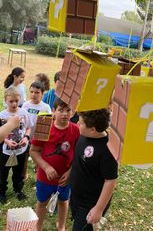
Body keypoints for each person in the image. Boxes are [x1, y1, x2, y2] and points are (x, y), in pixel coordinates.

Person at [30, 98, 80, 231]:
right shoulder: (45, 125)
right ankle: (37, 227)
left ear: (73, 111)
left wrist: (70, 172)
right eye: (61, 110)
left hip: (64, 179)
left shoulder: (76, 130)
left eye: (68, 110)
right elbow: (34, 151)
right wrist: (46, 167)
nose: (65, 114)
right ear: (53, 111)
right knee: (42, 203)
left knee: (63, 201)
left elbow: (78, 155)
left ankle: (61, 226)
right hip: (45, 177)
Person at [70, 108, 118, 231]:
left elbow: (110, 181)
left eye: (80, 123)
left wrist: (99, 208)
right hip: (77, 196)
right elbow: (79, 160)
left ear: (92, 129)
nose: (77, 124)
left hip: (90, 204)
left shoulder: (108, 149)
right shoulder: (84, 135)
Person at [0, 87, 32, 204]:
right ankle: (2, 192)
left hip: (20, 151)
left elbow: (28, 127)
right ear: (5, 100)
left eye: (16, 101)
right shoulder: (2, 115)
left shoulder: (23, 113)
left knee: (18, 172)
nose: (14, 104)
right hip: (6, 152)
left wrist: (26, 137)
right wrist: (7, 141)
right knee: (3, 173)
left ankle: (18, 190)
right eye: (11, 101)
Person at [22, 81, 52, 180]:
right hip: (26, 136)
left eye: (37, 92)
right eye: (32, 92)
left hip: (39, 138)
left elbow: (48, 123)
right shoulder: (26, 105)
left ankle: (38, 175)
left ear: (43, 94)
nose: (34, 95)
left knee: (38, 157)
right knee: (25, 156)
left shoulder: (46, 107)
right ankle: (24, 174)